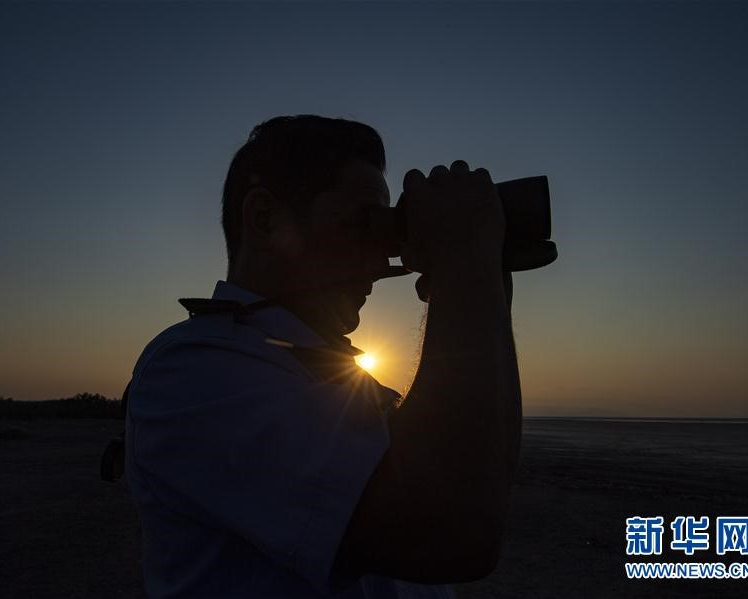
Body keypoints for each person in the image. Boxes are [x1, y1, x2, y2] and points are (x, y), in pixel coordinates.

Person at [124, 115, 522, 598]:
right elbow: (449, 532)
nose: (379, 263)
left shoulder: (340, 375)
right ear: (266, 219)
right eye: (362, 224)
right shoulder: (189, 373)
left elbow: (478, 470)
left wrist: (484, 293)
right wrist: (464, 269)